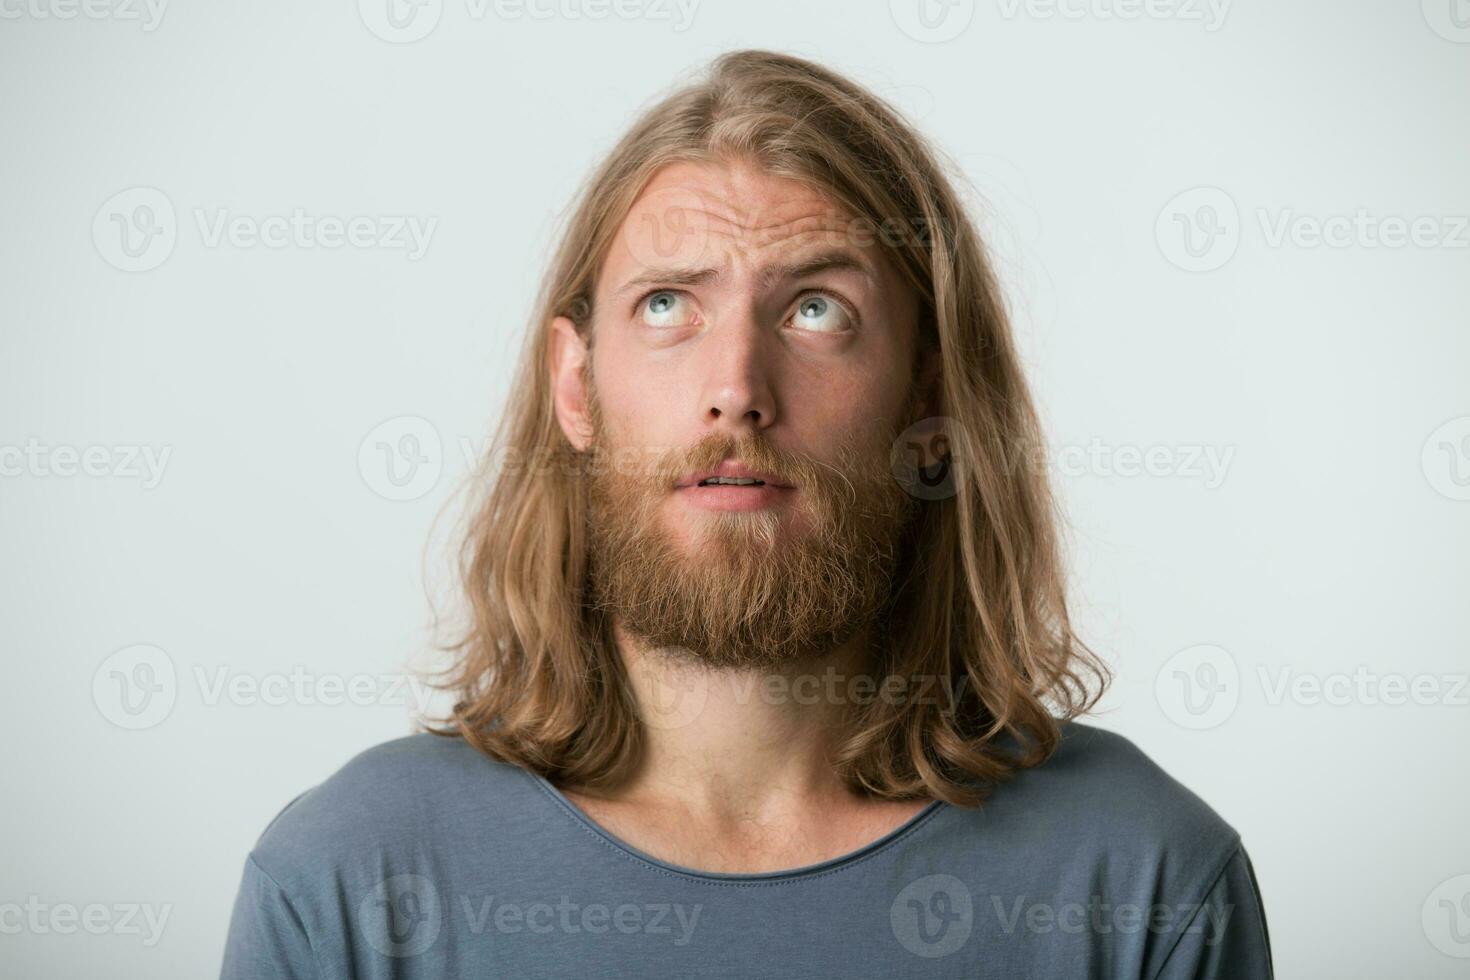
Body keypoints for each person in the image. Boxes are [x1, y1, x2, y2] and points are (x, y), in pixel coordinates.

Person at [220, 48, 1272, 978]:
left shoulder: (1145, 883)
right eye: (668, 304)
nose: (737, 386)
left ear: (929, 401)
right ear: (576, 387)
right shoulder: (348, 883)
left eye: (817, 308)